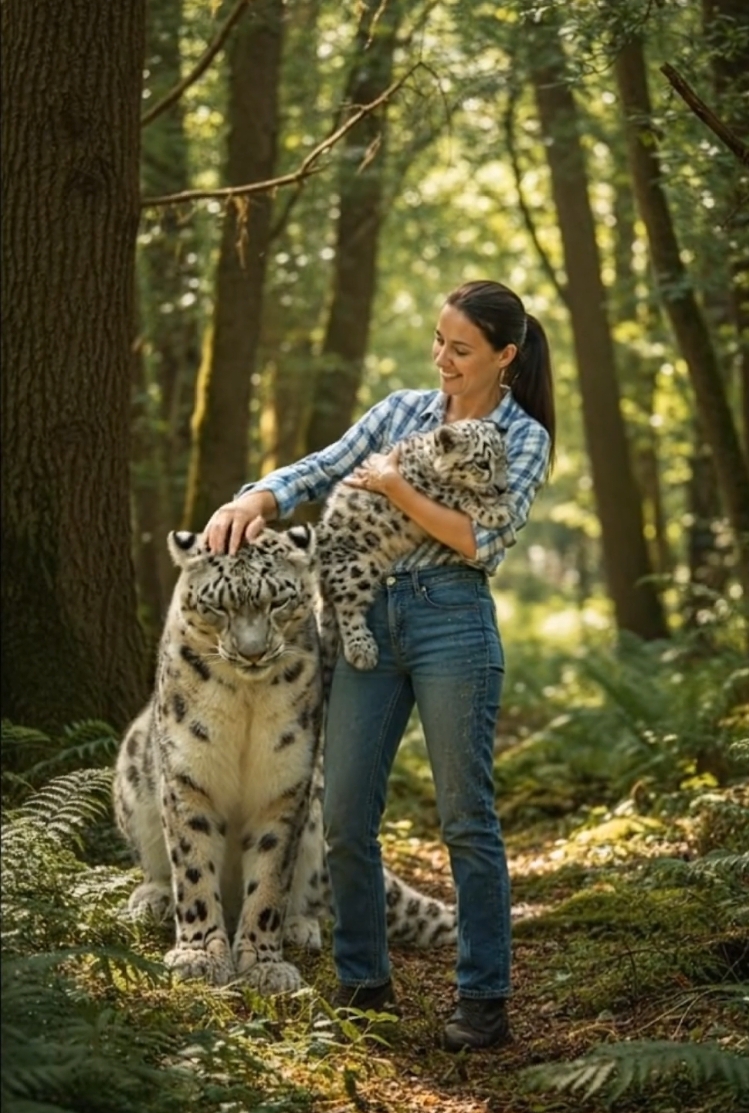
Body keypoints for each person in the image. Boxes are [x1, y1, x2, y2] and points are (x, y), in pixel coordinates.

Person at [205, 279, 555, 1051]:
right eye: (439, 341)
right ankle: (365, 985)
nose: (442, 360)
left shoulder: (523, 436)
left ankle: (483, 998)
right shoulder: (401, 412)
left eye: (461, 349)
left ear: (505, 355)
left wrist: (394, 484)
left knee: (466, 818)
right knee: (344, 816)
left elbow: (480, 540)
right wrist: (255, 499)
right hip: (362, 614)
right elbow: (325, 465)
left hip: (451, 619)